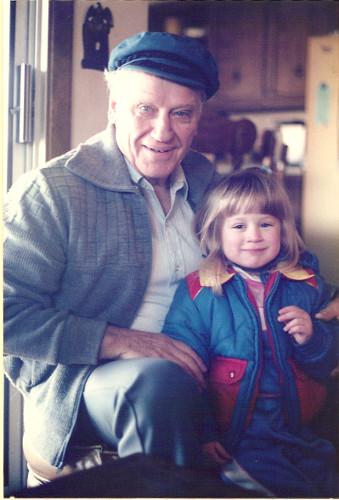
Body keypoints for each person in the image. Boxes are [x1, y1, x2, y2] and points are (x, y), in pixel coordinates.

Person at [4, 31, 339, 484]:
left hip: (218, 366)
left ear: (197, 117)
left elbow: (274, 253)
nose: (163, 132)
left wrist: (321, 301)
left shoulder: (205, 179)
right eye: (146, 109)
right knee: (158, 385)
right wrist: (121, 339)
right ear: (115, 108)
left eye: (181, 114)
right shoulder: (51, 191)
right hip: (97, 379)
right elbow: (8, 314)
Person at [163, 167, 338, 497]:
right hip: (239, 433)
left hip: (298, 428)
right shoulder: (199, 292)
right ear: (216, 232)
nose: (254, 236)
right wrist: (204, 431)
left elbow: (326, 362)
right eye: (239, 225)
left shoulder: (307, 284)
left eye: (266, 224)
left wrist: (313, 337)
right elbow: (184, 370)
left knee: (323, 480)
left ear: (283, 230)